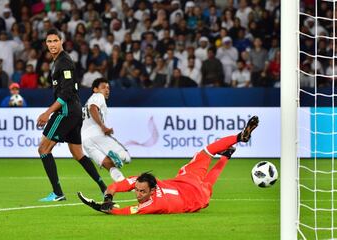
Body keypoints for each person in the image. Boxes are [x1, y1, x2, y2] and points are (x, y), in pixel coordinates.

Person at [77, 116, 259, 215]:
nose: (138, 194)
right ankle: (234, 143)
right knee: (206, 157)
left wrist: (103, 208)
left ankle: (237, 140)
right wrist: (108, 197)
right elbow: (117, 185)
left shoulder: (153, 204)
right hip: (190, 186)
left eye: (141, 191)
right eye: (137, 190)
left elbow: (127, 211)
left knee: (207, 174)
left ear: (151, 189)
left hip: (194, 195)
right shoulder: (145, 182)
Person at [36, 28, 107, 202]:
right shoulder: (58, 61)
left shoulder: (64, 62)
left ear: (61, 41)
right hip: (74, 111)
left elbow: (66, 93)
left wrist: (47, 112)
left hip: (66, 111)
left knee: (43, 149)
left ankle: (58, 193)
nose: (52, 44)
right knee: (77, 152)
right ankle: (105, 188)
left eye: (55, 41)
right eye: (49, 41)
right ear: (46, 44)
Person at [82, 78, 131, 182]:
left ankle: (121, 181)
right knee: (126, 157)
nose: (107, 90)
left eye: (108, 88)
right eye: (103, 87)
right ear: (95, 89)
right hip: (97, 133)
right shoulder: (98, 96)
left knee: (108, 164)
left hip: (85, 140)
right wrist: (103, 126)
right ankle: (117, 156)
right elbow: (93, 108)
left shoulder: (86, 104)